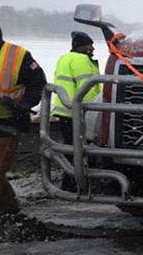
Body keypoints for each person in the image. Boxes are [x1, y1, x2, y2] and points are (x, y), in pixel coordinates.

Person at [0, 14, 47, 227]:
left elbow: (38, 83)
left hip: (6, 124)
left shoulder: (17, 55)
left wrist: (22, 105)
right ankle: (7, 209)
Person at [52, 31, 101, 191]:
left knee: (71, 147)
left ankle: (68, 181)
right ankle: (77, 183)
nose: (92, 48)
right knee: (80, 149)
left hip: (64, 110)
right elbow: (86, 88)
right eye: (89, 44)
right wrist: (92, 110)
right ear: (82, 46)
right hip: (78, 112)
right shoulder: (81, 60)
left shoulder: (64, 58)